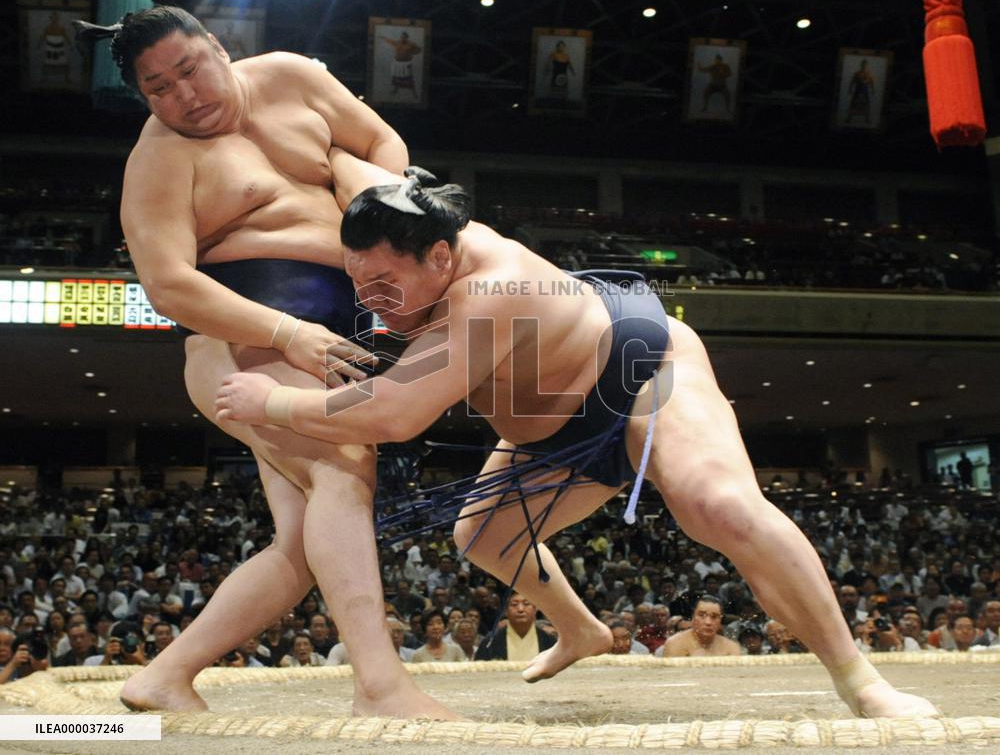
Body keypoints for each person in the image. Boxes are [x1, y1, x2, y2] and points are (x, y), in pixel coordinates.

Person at [215, 153, 938, 719]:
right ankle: (584, 630)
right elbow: (344, 145)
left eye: (383, 283)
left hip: (638, 371)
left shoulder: (489, 291)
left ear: (440, 257)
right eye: (358, 280)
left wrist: (272, 400)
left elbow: (394, 415)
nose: (370, 301)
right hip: (554, 430)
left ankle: (859, 677)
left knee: (713, 505)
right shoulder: (404, 235)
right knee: (485, 538)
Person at [73, 5, 452, 720]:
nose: (185, 95)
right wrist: (286, 334)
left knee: (304, 547)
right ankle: (379, 684)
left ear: (219, 46)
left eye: (190, 68)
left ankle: (163, 678)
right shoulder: (159, 160)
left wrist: (373, 206)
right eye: (160, 89)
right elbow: (169, 285)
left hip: (339, 331)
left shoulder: (292, 78)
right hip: (241, 341)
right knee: (342, 462)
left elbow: (381, 139)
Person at [474, 594, 556, 662]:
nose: (520, 609)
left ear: (535, 609)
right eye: (514, 604)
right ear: (506, 611)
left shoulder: (549, 641)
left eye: (526, 604)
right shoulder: (489, 642)